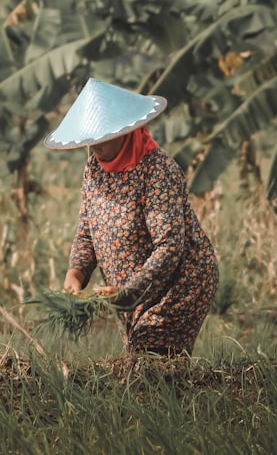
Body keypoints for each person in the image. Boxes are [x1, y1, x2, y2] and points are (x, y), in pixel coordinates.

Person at [44, 78, 219, 356]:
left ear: (124, 131)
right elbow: (87, 233)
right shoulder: (95, 169)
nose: (94, 146)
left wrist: (129, 292)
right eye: (90, 139)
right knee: (141, 370)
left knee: (151, 363)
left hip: (177, 287)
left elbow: (169, 247)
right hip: (128, 295)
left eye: (102, 137)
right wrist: (75, 274)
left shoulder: (158, 170)